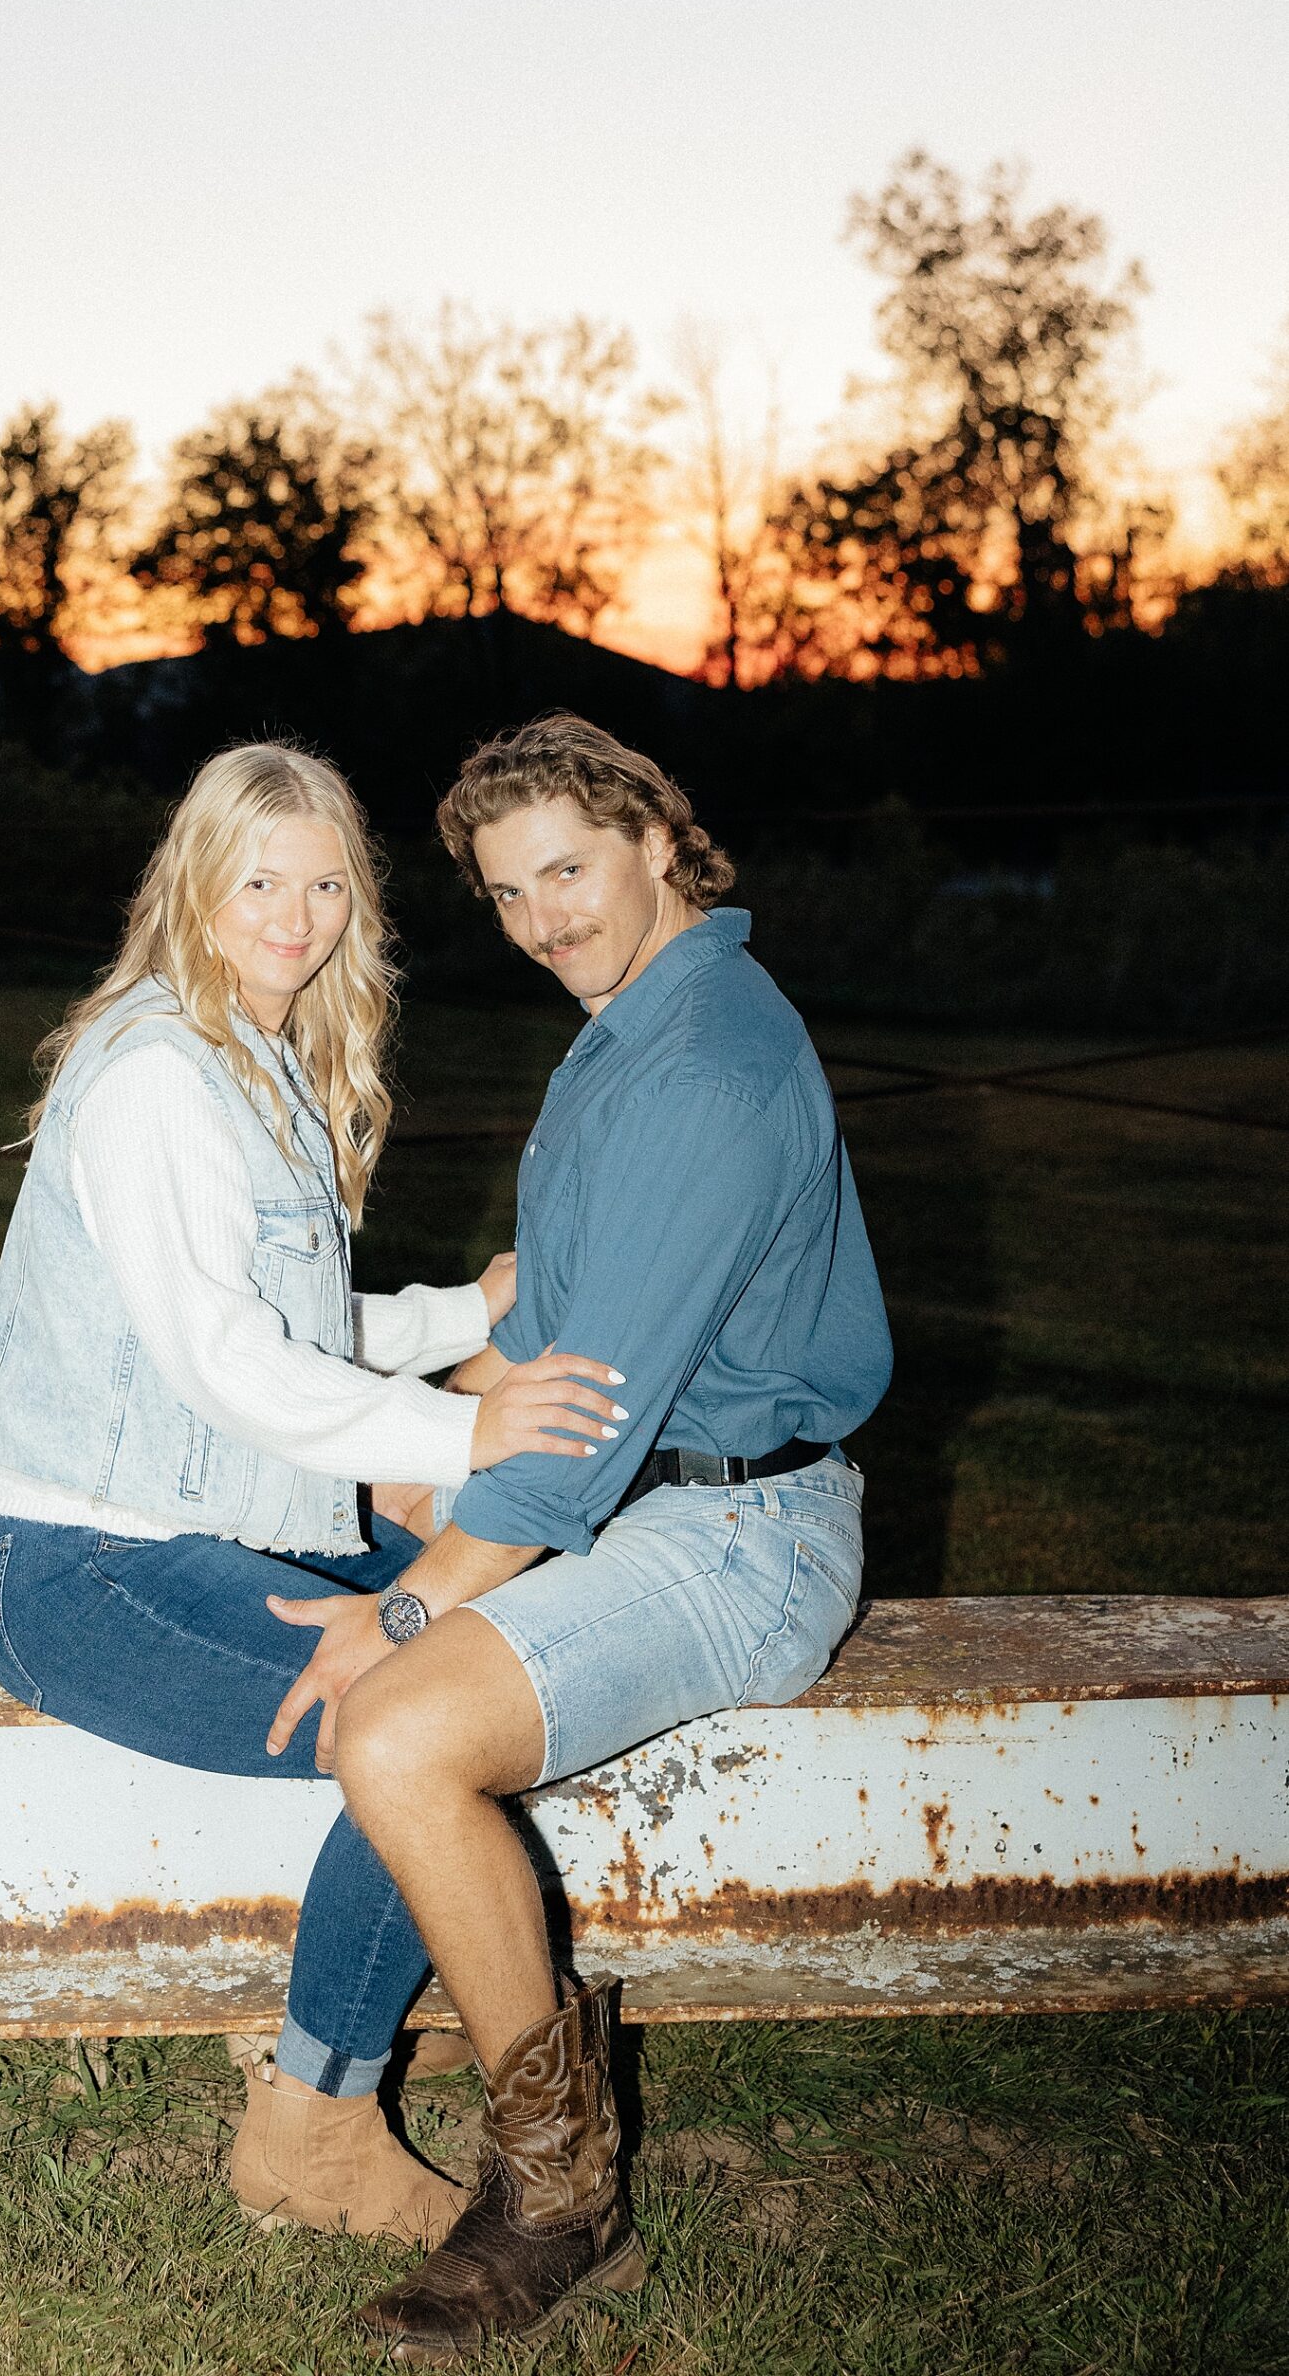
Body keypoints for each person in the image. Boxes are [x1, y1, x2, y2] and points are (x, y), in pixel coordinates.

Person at [261, 713, 894, 2359]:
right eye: (507, 892)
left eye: (569, 870)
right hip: (656, 1487)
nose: (543, 920)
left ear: (659, 841)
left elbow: (588, 1424)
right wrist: (427, 1433)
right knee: (344, 1516)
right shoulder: (642, 1017)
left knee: (393, 1739)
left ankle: (557, 2189)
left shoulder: (706, 1062)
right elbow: (561, 1314)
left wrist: (404, 1610)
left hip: (741, 1531)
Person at [0, 740, 622, 2249]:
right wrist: (478, 1437)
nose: (297, 914)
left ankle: (416, 1961)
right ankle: (315, 2120)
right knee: (412, 1730)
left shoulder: (245, 1059)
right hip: (69, 1566)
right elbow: (223, 1361)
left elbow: (296, 1331)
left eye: (327, 884)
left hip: (183, 1525)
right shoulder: (153, 1080)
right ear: (196, 882)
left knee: (481, 1628)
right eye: (263, 879)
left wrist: (468, 1315)